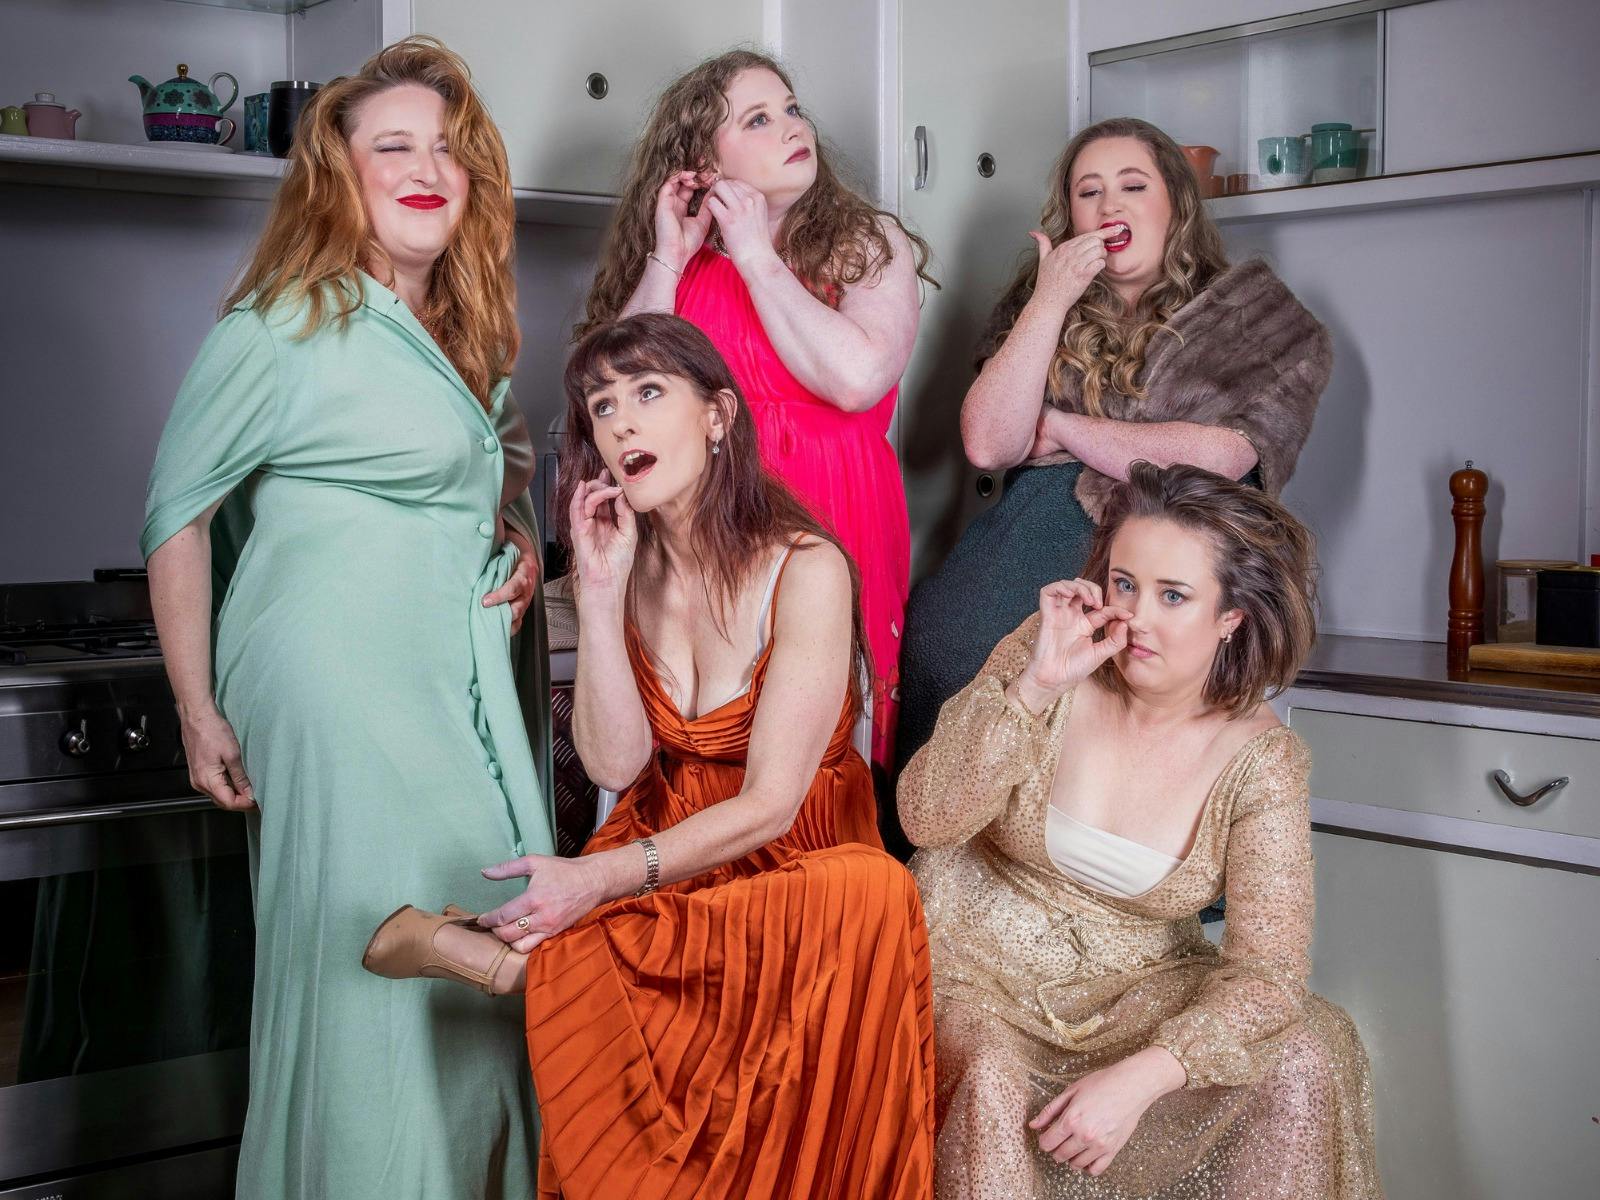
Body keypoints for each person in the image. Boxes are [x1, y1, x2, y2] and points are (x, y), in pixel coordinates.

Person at [363, 313, 937, 1199]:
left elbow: (774, 805)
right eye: (601, 406)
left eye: (648, 393)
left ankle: (518, 967)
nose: (622, 421)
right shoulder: (625, 568)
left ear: (718, 417)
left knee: (877, 889)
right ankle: (540, 962)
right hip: (666, 838)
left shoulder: (807, 566)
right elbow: (614, 765)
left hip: (791, 857)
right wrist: (596, 592)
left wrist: (596, 882)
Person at [141, 37, 553, 1198]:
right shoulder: (283, 324)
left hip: (449, 682)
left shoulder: (468, 341)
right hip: (331, 681)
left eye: (445, 147)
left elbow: (497, 495)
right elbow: (174, 516)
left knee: (480, 932)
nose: (426, 167)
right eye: (392, 146)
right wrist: (195, 707)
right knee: (371, 960)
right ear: (341, 175)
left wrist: (518, 552)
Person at [899, 462, 1380, 1198]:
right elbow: (925, 820)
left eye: (1174, 596)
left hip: (1139, 988)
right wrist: (1033, 689)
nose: (1137, 618)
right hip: (972, 965)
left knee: (1307, 1054)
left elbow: (1269, 974)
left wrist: (1146, 1075)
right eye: (1124, 584)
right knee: (991, 1078)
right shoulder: (1048, 651)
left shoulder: (1265, 762)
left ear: (1232, 616)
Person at [895, 116, 1332, 796]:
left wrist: (1063, 429)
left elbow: (1220, 454)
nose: (1109, 205)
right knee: (947, 693)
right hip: (1011, 559)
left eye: (1134, 184)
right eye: (1087, 191)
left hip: (1166, 569)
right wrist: (1052, 296)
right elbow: (989, 442)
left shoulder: (1256, 317)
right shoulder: (1039, 304)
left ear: (1176, 203)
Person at [580, 49, 935, 770]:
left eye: (791, 108)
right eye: (758, 119)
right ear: (703, 163)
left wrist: (754, 253)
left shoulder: (865, 244)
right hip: (711, 526)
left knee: (829, 736)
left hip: (838, 513)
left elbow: (857, 380)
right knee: (716, 725)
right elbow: (614, 391)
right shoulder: (685, 266)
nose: (791, 127)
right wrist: (668, 259)